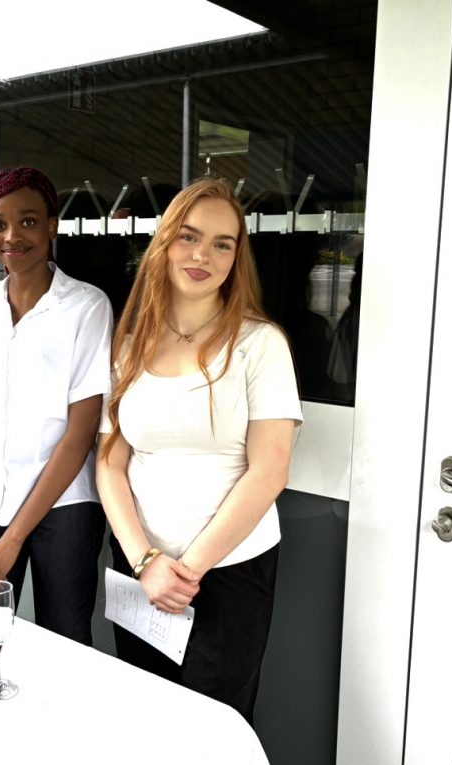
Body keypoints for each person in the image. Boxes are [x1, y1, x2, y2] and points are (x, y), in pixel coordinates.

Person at [97, 177, 302, 723]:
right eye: (188, 236)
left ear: (237, 257)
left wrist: (186, 571)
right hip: (142, 567)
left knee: (213, 728)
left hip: (229, 570)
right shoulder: (129, 346)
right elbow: (110, 463)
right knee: (147, 719)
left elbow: (270, 470)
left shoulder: (260, 344)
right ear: (164, 243)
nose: (202, 255)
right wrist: (146, 562)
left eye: (221, 244)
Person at [0, 166, 113, 646]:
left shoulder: (87, 307)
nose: (12, 236)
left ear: (51, 225)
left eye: (27, 221)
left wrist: (14, 539)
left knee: (65, 642)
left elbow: (79, 434)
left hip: (63, 508)